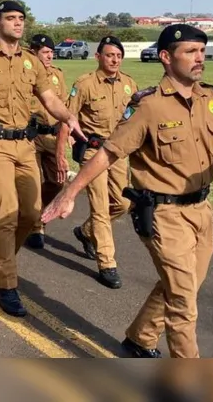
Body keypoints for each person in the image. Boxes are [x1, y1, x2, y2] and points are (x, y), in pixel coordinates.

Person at [41, 24, 213, 358]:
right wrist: (69, 192)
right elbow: (109, 153)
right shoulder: (149, 106)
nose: (199, 58)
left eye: (201, 51)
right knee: (183, 301)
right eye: (190, 52)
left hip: (201, 212)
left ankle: (140, 338)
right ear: (166, 57)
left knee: (183, 286)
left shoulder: (211, 100)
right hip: (163, 214)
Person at [0, 1, 84, 317]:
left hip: (25, 145)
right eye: (10, 18)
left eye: (21, 19)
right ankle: (6, 285)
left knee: (33, 215)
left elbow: (50, 99)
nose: (18, 23)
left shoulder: (32, 63)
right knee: (7, 214)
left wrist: (69, 118)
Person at [55, 35, 137, 289]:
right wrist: (60, 152)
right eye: (110, 55)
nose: (115, 60)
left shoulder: (129, 85)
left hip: (117, 153)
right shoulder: (85, 84)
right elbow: (68, 118)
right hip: (93, 152)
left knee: (123, 203)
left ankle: (86, 231)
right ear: (98, 57)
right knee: (100, 207)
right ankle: (107, 263)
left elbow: (135, 121)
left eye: (118, 56)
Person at [23, 34, 68, 249]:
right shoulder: (23, 73)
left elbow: (63, 108)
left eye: (51, 52)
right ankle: (35, 227)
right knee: (31, 181)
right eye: (45, 52)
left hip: (52, 135)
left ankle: (35, 211)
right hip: (30, 136)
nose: (50, 55)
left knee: (57, 181)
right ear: (34, 53)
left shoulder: (57, 75)